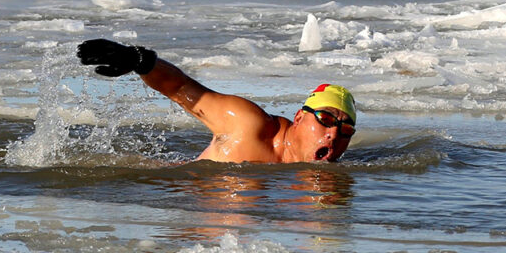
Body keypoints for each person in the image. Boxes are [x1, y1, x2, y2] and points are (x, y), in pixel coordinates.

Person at [77, 38, 357, 163]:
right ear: (299, 117)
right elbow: (186, 91)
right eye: (326, 120)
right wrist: (139, 60)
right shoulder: (248, 125)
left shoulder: (326, 182)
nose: (333, 134)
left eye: (345, 130)